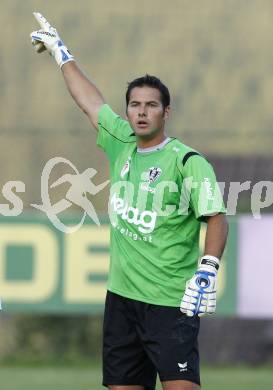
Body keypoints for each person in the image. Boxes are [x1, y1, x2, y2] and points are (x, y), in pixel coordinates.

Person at [30, 12, 229, 390]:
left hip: (171, 304)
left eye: (151, 105)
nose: (141, 111)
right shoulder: (121, 142)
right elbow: (90, 103)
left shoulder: (188, 162)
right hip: (121, 300)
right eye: (135, 105)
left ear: (165, 112)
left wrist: (208, 267)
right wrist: (60, 52)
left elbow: (217, 217)